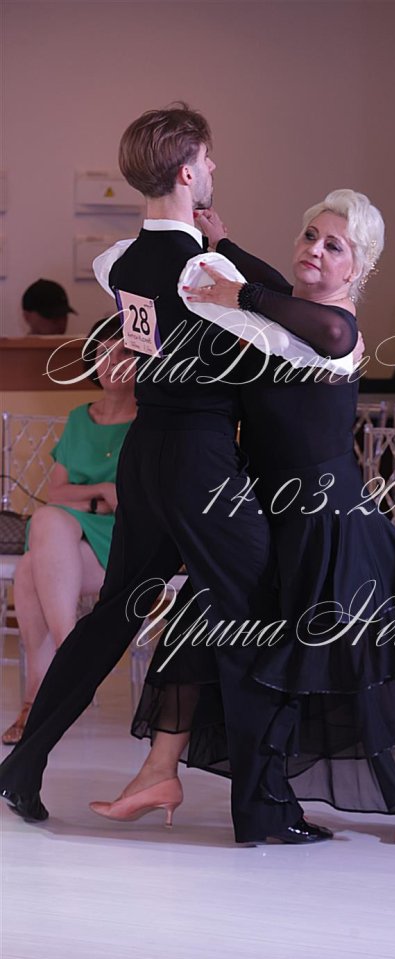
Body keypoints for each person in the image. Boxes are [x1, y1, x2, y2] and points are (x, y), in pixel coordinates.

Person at [98, 190, 395, 845]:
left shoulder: (337, 328)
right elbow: (274, 287)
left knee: (361, 665)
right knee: (201, 619)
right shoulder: (282, 313)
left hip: (329, 524)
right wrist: (224, 243)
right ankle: (158, 770)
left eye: (333, 245)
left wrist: (236, 289)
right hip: (266, 512)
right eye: (310, 235)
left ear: (359, 267)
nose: (314, 249)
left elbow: (302, 315)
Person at [0, 105, 353, 845]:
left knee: (114, 614)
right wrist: (232, 255)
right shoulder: (206, 272)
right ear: (188, 172)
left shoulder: (116, 262)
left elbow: (153, 336)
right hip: (200, 459)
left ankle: (22, 765)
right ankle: (263, 810)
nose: (215, 169)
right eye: (209, 160)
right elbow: (310, 333)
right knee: (261, 611)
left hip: (146, 454)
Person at [2, 318, 136, 745]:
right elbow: (55, 492)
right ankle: (65, 662)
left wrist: (88, 499)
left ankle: (41, 695)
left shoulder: (149, 423)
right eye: (102, 353)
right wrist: (100, 493)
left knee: (34, 556)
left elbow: (133, 502)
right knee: (44, 529)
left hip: (119, 544)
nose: (110, 363)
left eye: (123, 353)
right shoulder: (80, 418)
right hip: (67, 539)